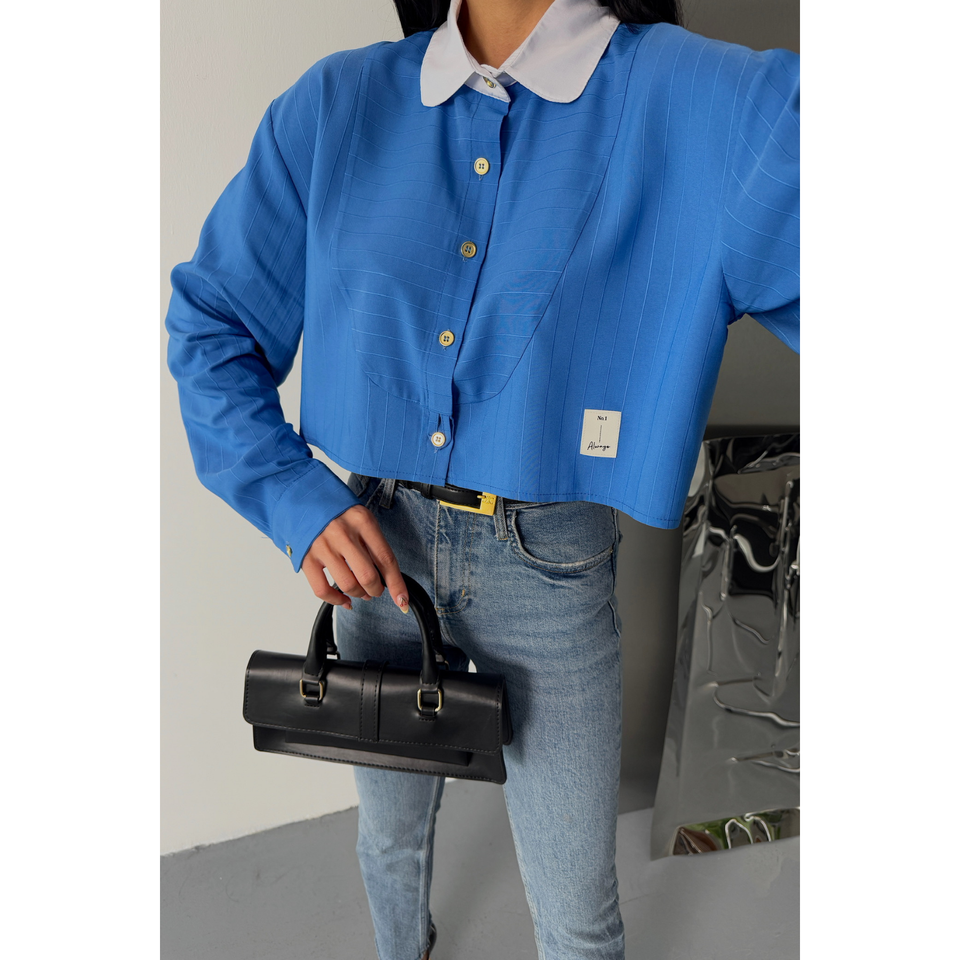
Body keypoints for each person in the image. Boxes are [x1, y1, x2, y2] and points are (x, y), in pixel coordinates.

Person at [165, 0, 799, 957]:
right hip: (375, 556)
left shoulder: (711, 104)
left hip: (551, 567)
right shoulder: (337, 105)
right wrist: (294, 499)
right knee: (387, 838)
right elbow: (212, 324)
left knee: (577, 915)